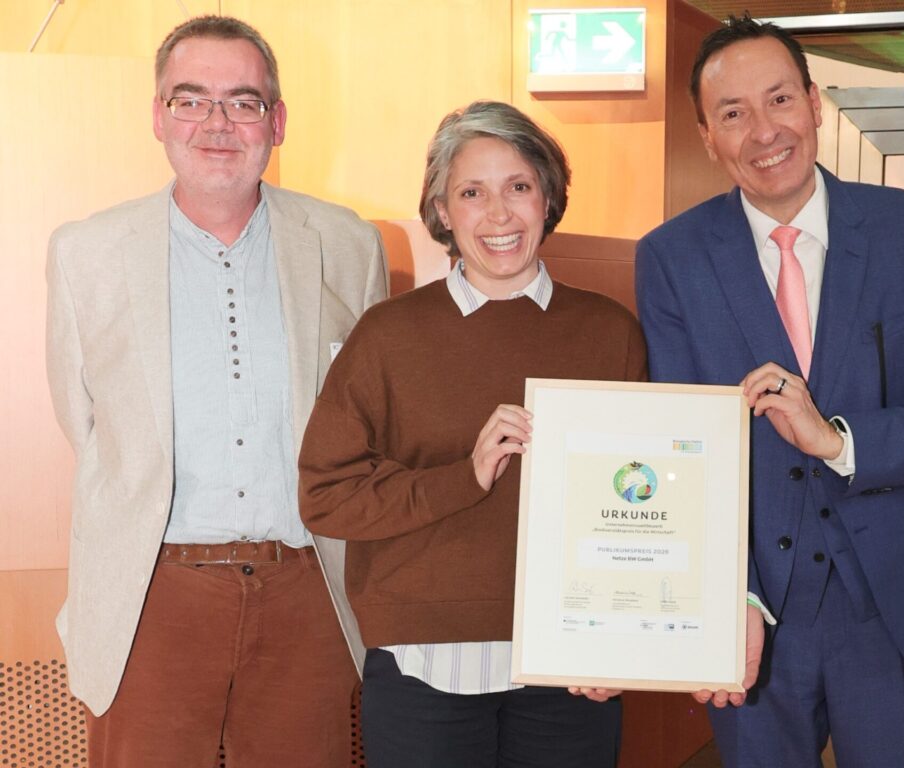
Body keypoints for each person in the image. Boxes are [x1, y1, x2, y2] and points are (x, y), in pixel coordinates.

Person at [635, 16, 904, 768]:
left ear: (812, 102)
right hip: (754, 612)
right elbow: (677, 448)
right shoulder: (670, 258)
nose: (763, 130)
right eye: (733, 113)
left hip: (897, 606)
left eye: (778, 100)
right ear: (707, 135)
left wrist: (841, 442)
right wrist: (728, 598)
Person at [45, 15, 387, 768]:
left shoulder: (349, 245)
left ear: (278, 120)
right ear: (159, 116)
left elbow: (371, 425)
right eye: (192, 99)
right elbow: (89, 424)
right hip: (150, 594)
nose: (218, 124)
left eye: (244, 101)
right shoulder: (87, 254)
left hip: (308, 591)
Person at [298, 100, 644, 768]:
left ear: (548, 195)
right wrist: (466, 476)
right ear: (442, 211)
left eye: (518, 187)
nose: (499, 215)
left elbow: (637, 504)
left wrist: (620, 638)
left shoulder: (609, 331)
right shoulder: (388, 336)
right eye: (472, 193)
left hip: (570, 663)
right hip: (425, 667)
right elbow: (326, 497)